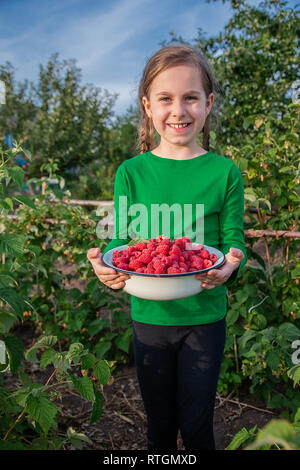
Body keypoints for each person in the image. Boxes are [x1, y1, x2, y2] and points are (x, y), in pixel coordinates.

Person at [87, 44, 247, 451]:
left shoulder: (224, 172)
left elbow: (233, 244)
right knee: (158, 427)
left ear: (208, 104)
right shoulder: (132, 173)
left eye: (190, 97)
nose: (179, 110)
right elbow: (121, 243)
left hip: (204, 318)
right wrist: (106, 266)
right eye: (166, 99)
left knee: (196, 427)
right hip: (149, 316)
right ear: (147, 106)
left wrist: (229, 265)